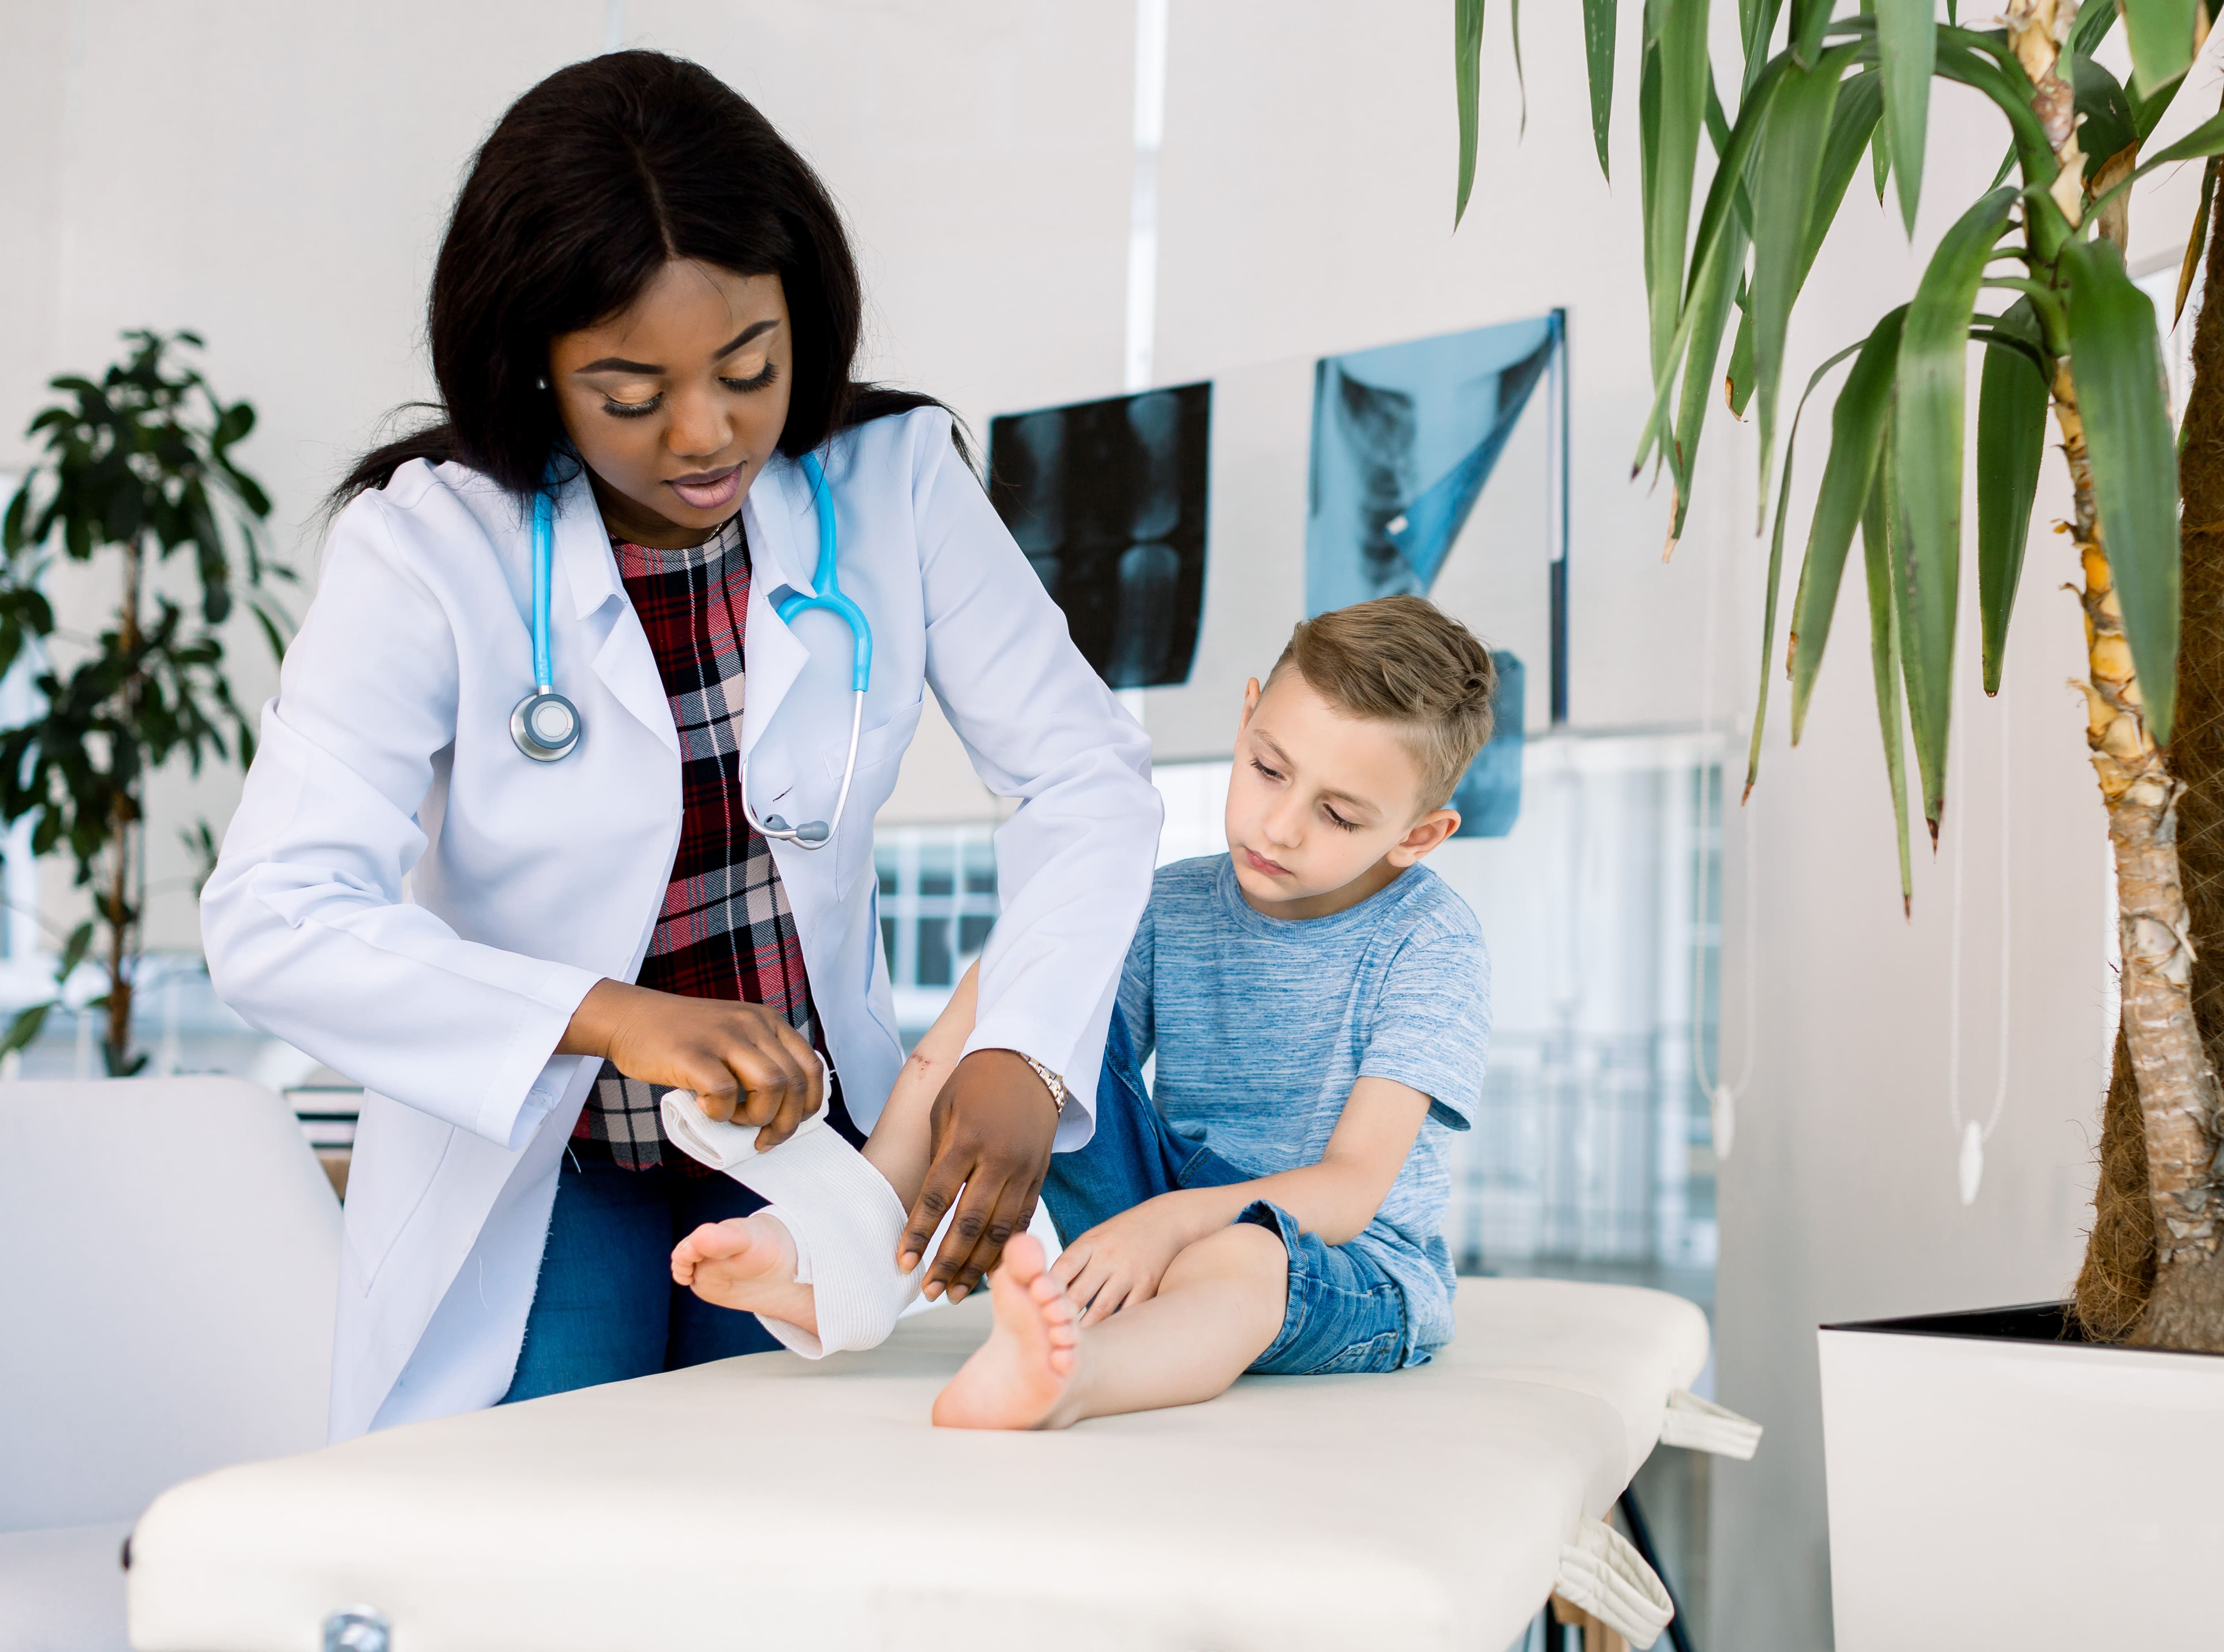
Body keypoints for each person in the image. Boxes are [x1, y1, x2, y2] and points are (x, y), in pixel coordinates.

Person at [200, 51, 1159, 1440]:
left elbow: (1084, 778)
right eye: (631, 392)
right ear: (534, 366)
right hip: (548, 1154)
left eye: (749, 369)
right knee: (544, 1526)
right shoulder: (426, 548)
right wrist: (613, 1015)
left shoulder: (892, 484)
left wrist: (1025, 1047)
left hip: (798, 1154)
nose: (707, 435)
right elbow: (272, 917)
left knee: (788, 1522)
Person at [673, 595, 1496, 1429]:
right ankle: (849, 1247)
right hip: (1165, 1207)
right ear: (1247, 717)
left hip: (1339, 1260)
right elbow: (1037, 1034)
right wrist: (1136, 1199)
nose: (1279, 827)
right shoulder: (1170, 902)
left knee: (1246, 1254)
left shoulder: (1428, 940)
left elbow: (1352, 1190)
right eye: (1269, 769)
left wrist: (1164, 1228)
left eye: (1338, 813)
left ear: (1418, 836)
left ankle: (1076, 1376)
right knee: (1032, 998)